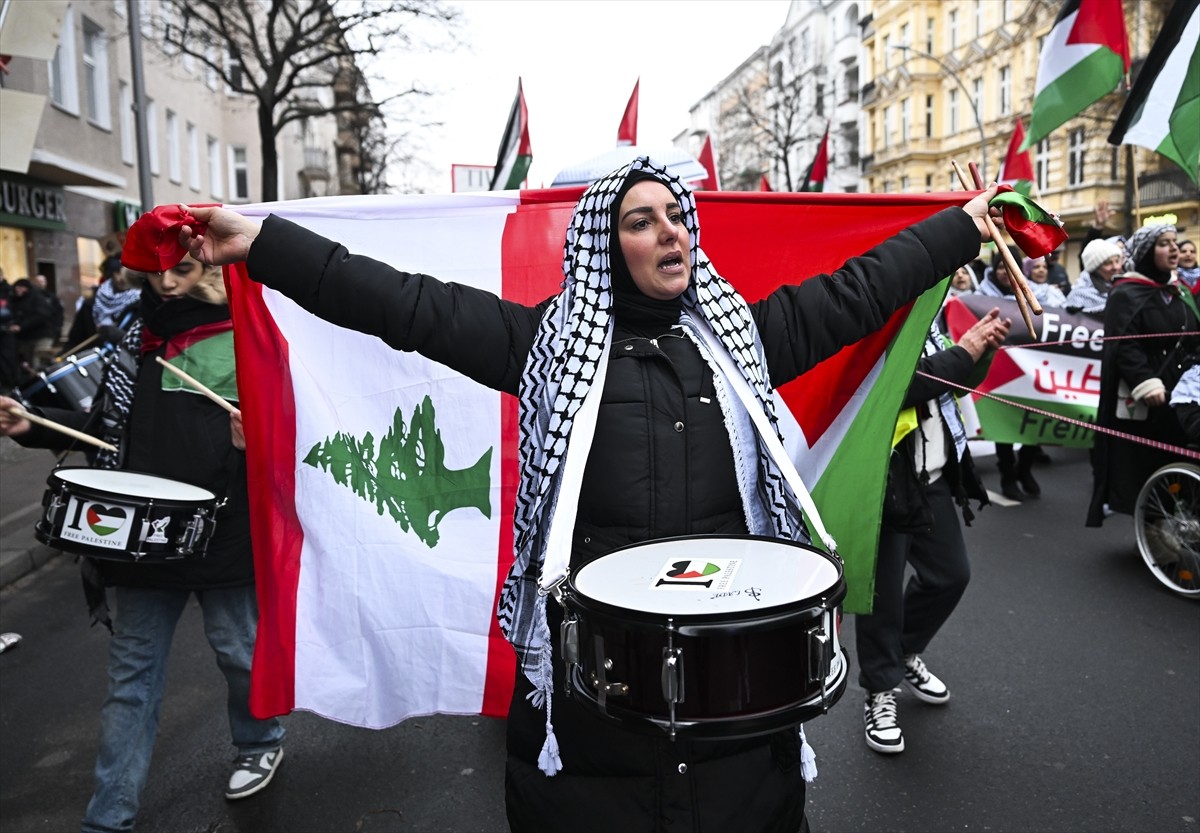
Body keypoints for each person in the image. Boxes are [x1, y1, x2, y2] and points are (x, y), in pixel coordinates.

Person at [176, 157, 1000, 833]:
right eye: (641, 220)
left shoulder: (746, 340)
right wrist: (262, 244)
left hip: (733, 711)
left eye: (676, 215)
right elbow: (403, 304)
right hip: (592, 705)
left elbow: (863, 287)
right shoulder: (542, 347)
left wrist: (963, 226)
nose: (668, 229)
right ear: (606, 246)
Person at [0, 255, 286, 832]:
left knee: (238, 651)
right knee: (131, 679)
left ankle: (259, 741)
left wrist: (256, 438)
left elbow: (291, 428)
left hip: (221, 528)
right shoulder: (138, 332)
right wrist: (29, 422)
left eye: (181, 268)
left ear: (209, 265)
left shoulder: (250, 328)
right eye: (157, 271)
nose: (167, 282)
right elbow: (104, 425)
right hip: (135, 533)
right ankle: (108, 820)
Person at [857, 307, 1010, 754]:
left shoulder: (930, 319)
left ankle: (902, 654)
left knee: (950, 576)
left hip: (935, 477)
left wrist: (978, 353)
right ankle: (880, 689)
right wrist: (966, 353)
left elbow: (953, 384)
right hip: (887, 482)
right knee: (881, 595)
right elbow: (901, 386)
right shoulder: (874, 316)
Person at [1087, 224, 1198, 526]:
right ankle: (1155, 530)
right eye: (1164, 243)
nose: (1174, 249)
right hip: (1148, 397)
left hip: (1183, 393)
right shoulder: (1126, 292)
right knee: (1146, 466)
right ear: (1148, 252)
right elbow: (1123, 346)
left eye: (1175, 242)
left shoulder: (1179, 292)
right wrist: (1146, 382)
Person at [973, 249, 1041, 499]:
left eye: (1009, 267)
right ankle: (1007, 476)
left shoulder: (1036, 294)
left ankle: (1024, 468)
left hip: (1030, 369)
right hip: (998, 370)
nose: (1005, 272)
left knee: (1033, 421)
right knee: (1004, 422)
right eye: (1001, 267)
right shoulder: (979, 297)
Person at [10, 277, 55, 376]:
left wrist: (21, 326)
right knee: (29, 365)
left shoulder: (37, 298)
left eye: (21, 287)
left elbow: (40, 315)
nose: (18, 290)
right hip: (25, 338)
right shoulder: (15, 300)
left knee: (38, 362)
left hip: (41, 336)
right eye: (17, 287)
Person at [1066, 238, 1124, 315]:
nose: (1116, 267)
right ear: (1095, 268)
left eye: (1117, 261)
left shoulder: (1124, 288)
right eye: (1108, 263)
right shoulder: (1078, 297)